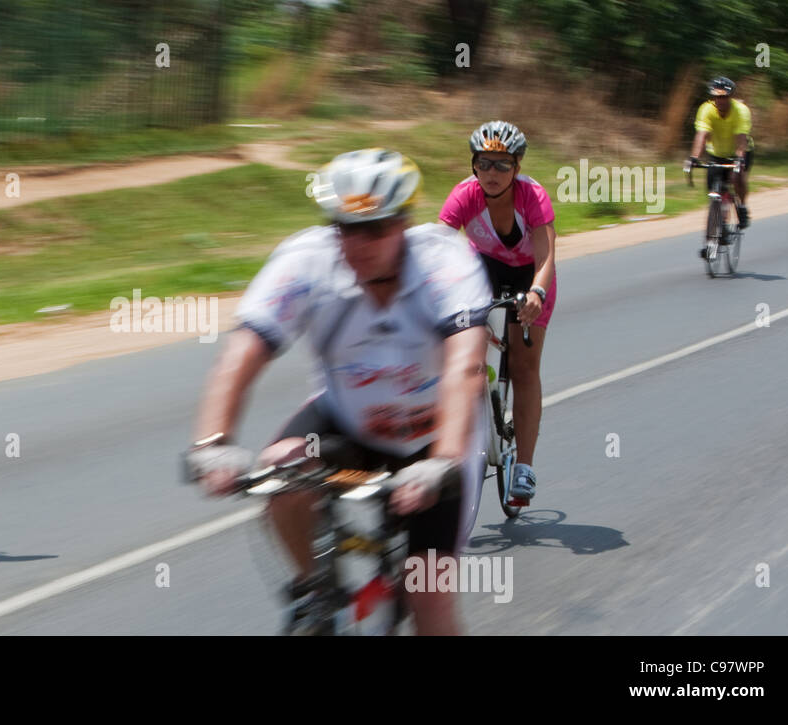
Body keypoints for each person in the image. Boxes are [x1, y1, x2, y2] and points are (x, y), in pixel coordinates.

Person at [184, 149, 491, 635]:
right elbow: (242, 352)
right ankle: (315, 590)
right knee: (280, 467)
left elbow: (466, 367)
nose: (358, 243)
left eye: (376, 229)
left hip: (437, 439)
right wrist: (212, 444)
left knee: (428, 594)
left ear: (404, 223)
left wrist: (443, 461)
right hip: (349, 422)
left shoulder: (444, 262)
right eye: (345, 228)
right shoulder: (307, 261)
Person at [438, 120, 555, 503]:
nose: (491, 173)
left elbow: (545, 255)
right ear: (474, 165)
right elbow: (437, 250)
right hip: (483, 271)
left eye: (502, 165)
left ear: (517, 168)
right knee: (458, 355)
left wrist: (536, 292)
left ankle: (524, 466)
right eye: (483, 163)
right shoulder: (464, 195)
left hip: (530, 274)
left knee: (523, 367)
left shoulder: (532, 196)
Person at [687, 76, 754, 236]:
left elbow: (741, 139)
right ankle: (720, 223)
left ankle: (742, 207)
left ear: (730, 97)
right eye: (717, 97)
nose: (721, 100)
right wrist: (694, 158)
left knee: (736, 178)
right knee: (714, 190)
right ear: (713, 97)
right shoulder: (706, 109)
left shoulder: (741, 111)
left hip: (740, 151)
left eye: (724, 97)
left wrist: (738, 159)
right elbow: (702, 135)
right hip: (716, 153)